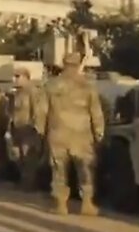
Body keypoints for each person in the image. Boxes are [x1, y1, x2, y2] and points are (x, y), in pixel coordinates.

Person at [42, 52, 104, 215]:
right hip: (82, 135)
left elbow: (42, 112)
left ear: (64, 64)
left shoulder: (51, 85)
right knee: (85, 169)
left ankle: (61, 204)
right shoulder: (88, 85)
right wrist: (99, 133)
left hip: (57, 133)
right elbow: (96, 112)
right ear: (78, 65)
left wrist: (41, 132)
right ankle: (87, 204)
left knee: (59, 169)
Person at [8, 67, 44, 190]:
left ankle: (30, 184)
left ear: (26, 77)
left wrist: (37, 130)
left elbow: (37, 112)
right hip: (17, 130)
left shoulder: (33, 91)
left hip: (28, 130)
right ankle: (24, 181)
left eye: (18, 76)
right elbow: (12, 112)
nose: (15, 79)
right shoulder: (17, 93)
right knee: (18, 157)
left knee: (29, 158)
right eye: (14, 76)